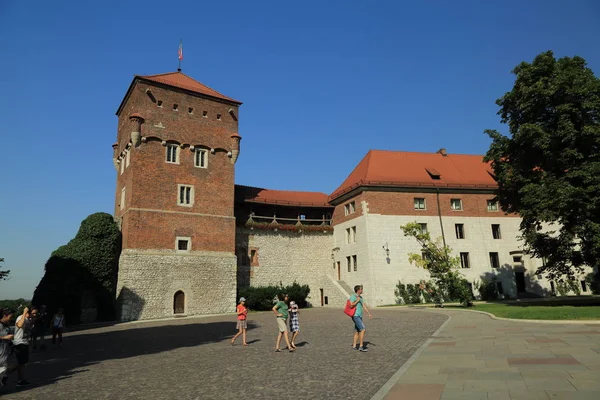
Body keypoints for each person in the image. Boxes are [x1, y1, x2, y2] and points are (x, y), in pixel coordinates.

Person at [10, 306, 32, 387]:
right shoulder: (20, 317)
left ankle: (21, 379)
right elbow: (19, 325)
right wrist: (24, 313)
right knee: (21, 362)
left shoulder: (28, 320)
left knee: (23, 362)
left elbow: (28, 331)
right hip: (19, 342)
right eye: (32, 313)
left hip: (25, 342)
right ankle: (7, 373)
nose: (33, 315)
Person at [349, 285, 372, 352]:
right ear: (358, 290)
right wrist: (357, 300)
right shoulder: (353, 296)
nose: (362, 290)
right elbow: (351, 304)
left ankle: (354, 346)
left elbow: (363, 306)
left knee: (357, 331)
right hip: (355, 316)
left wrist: (368, 313)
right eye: (361, 289)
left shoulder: (361, 297)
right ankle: (361, 346)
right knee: (363, 329)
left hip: (359, 316)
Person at [0, 309, 15, 388]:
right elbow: (4, 336)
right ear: (5, 315)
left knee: (4, 370)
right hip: (0, 352)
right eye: (10, 317)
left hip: (5, 352)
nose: (11, 319)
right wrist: (4, 337)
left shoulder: (6, 325)